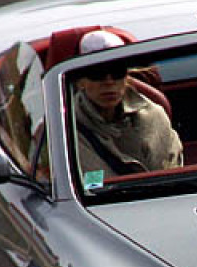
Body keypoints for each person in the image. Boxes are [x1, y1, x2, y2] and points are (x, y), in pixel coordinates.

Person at [72, 30, 183, 184]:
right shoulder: (64, 130)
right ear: (80, 81)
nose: (109, 82)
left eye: (117, 71)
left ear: (126, 77)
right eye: (97, 73)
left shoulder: (154, 116)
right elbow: (91, 186)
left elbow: (173, 175)